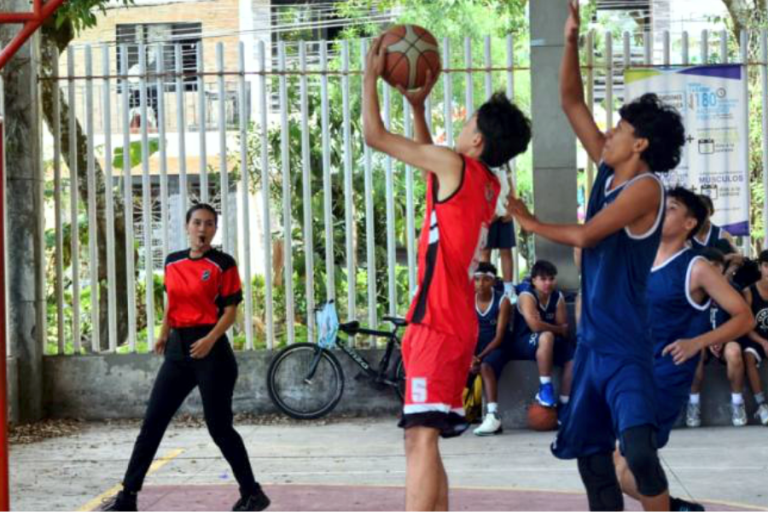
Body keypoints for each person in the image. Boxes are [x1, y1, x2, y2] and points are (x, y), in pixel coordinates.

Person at [508, 2, 686, 511]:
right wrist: (569, 41)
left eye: (619, 130)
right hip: (591, 344)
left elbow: (587, 236)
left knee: (638, 452)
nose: (607, 134)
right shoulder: (610, 170)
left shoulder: (647, 189)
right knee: (590, 457)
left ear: (640, 144)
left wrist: (532, 222)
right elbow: (570, 100)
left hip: (627, 346)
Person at [363, 38, 531, 512]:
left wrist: (369, 76)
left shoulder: (456, 166)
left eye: (468, 121)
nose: (461, 126)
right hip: (453, 324)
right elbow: (429, 157)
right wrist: (417, 107)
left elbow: (375, 136)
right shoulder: (485, 182)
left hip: (436, 324)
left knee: (419, 439)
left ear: (477, 140)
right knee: (424, 437)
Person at [100, 204, 270, 512]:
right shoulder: (172, 261)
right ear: (187, 226)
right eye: (197, 223)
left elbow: (230, 312)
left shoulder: (223, 264)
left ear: (214, 229)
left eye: (209, 224)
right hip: (178, 352)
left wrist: (209, 340)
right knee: (152, 423)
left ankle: (252, 493)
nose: (202, 229)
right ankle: (127, 497)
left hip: (212, 352)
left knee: (219, 428)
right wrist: (163, 333)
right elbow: (172, 303)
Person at [613, 186, 753, 512]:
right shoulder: (641, 257)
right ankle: (678, 509)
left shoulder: (696, 267)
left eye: (672, 207)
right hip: (632, 371)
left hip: (665, 376)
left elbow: (744, 317)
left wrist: (698, 342)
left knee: (633, 461)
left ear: (689, 223)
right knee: (615, 469)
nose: (662, 211)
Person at [685, 248, 748, 428]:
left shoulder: (732, 289)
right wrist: (707, 340)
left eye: (718, 266)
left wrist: (722, 338)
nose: (714, 269)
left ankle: (737, 403)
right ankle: (693, 404)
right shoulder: (693, 290)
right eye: (710, 265)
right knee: (694, 353)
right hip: (702, 341)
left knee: (734, 351)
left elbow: (742, 321)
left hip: (727, 341)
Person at [507, 260, 573, 408]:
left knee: (574, 357)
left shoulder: (557, 296)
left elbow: (565, 330)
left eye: (551, 278)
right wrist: (555, 328)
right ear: (533, 281)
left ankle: (565, 403)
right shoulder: (527, 296)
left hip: (548, 342)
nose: (548, 283)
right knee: (546, 336)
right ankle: (545, 387)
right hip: (523, 342)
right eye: (543, 279)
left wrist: (546, 325)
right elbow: (535, 326)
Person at [470, 262, 513, 436]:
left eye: (486, 280)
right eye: (477, 279)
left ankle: (493, 415)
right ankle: (448, 412)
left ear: (494, 282)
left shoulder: (503, 301)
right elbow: (465, 332)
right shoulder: (468, 299)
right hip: (475, 349)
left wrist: (478, 357)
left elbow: (499, 337)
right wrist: (469, 356)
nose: (481, 284)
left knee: (486, 366)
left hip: (498, 347)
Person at [480, 163, 518, 303]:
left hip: (505, 211)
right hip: (487, 213)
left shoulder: (504, 161)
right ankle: (486, 287)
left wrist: (511, 209)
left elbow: (511, 186)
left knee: (506, 250)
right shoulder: (480, 161)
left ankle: (508, 289)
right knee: (485, 251)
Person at [740, 250, 768, 426]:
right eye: (766, 266)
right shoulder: (749, 292)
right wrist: (763, 342)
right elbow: (745, 325)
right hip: (756, 338)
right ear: (760, 267)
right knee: (748, 356)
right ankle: (761, 405)